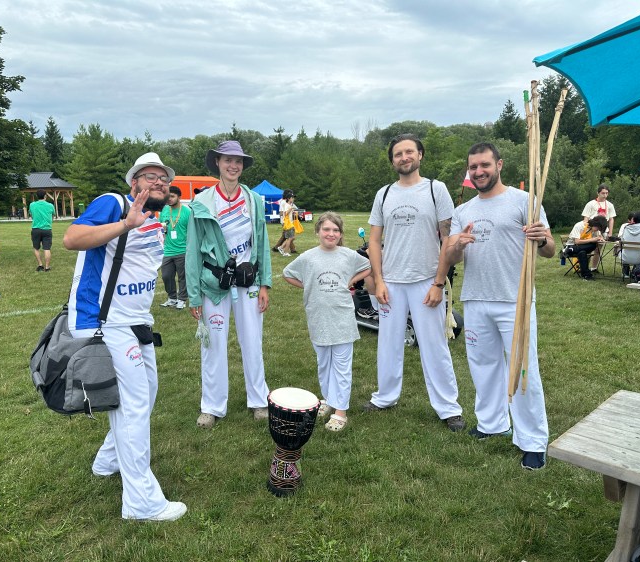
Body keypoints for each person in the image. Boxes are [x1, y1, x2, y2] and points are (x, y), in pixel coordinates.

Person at [62, 152, 186, 522]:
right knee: (132, 406)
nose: (159, 183)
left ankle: (108, 460)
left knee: (147, 392)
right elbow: (71, 238)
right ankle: (141, 503)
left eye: (163, 178)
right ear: (134, 182)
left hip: (136, 321)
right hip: (104, 321)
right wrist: (125, 224)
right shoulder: (113, 203)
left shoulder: (156, 216)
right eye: (150, 177)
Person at [439, 142, 555, 470]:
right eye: (473, 167)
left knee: (522, 369)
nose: (478, 171)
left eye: (484, 165)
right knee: (483, 365)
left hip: (515, 299)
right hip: (476, 298)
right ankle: (492, 424)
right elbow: (450, 256)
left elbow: (549, 249)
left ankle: (532, 441)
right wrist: (458, 246)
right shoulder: (463, 211)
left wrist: (541, 238)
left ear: (499, 165)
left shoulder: (525, 201)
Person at [363, 133, 465, 433]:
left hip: (426, 281)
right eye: (398, 154)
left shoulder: (436, 189)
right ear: (392, 161)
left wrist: (438, 282)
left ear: (420, 155)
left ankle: (448, 408)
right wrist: (379, 280)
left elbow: (448, 238)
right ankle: (385, 397)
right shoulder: (384, 194)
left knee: (434, 345)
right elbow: (374, 240)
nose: (404, 157)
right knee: (388, 344)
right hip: (391, 283)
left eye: (409, 152)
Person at [186, 140, 273, 429]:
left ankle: (259, 400)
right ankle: (212, 406)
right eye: (228, 160)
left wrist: (265, 283)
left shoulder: (254, 200)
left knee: (253, 342)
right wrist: (194, 296)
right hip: (214, 284)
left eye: (238, 161)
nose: (233, 166)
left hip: (248, 281)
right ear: (218, 163)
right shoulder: (201, 202)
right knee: (213, 345)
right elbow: (192, 250)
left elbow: (262, 242)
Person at [283, 212, 371, 432]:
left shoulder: (348, 255)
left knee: (341, 365)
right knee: (323, 363)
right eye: (326, 229)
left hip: (342, 318)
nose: (331, 234)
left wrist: (351, 280)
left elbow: (368, 266)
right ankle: (329, 399)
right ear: (318, 232)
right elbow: (287, 273)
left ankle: (340, 411)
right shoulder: (308, 257)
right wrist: (308, 285)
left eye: (335, 230)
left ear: (340, 234)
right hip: (318, 318)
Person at [159, 186, 190, 309]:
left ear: (179, 197)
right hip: (168, 250)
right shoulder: (164, 210)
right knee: (166, 276)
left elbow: (192, 231)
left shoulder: (187, 212)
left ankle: (182, 299)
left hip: (183, 250)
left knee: (183, 277)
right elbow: (159, 227)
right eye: (167, 196)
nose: (169, 199)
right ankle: (172, 298)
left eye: (172, 196)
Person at [581, 184, 616, 269]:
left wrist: (610, 233)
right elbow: (586, 218)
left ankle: (594, 268)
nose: (605, 195)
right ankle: (585, 268)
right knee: (588, 248)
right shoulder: (591, 204)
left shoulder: (610, 205)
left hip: (603, 230)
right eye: (603, 193)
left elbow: (611, 219)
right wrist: (585, 231)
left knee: (598, 249)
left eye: (606, 193)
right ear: (598, 193)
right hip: (592, 229)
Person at [564, 214, 608, 281]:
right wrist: (592, 240)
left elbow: (599, 237)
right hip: (573, 245)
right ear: (595, 224)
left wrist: (601, 239)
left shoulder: (594, 229)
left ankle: (570, 250)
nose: (598, 230)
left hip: (579, 248)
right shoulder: (579, 226)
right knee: (583, 252)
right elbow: (577, 241)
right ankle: (587, 275)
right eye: (598, 228)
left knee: (592, 245)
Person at [29, 189, 56, 272]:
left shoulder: (32, 205)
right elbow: (53, 216)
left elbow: (32, 215)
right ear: (45, 196)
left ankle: (40, 265)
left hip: (36, 229)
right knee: (47, 248)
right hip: (47, 229)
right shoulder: (50, 205)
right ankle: (47, 267)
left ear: (37, 196)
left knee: (36, 248)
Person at [272, 190, 297, 254]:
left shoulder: (287, 202)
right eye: (291, 194)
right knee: (288, 236)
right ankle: (278, 248)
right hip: (285, 222)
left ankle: (291, 249)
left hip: (287, 221)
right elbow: (281, 212)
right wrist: (283, 219)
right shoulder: (283, 202)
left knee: (287, 236)